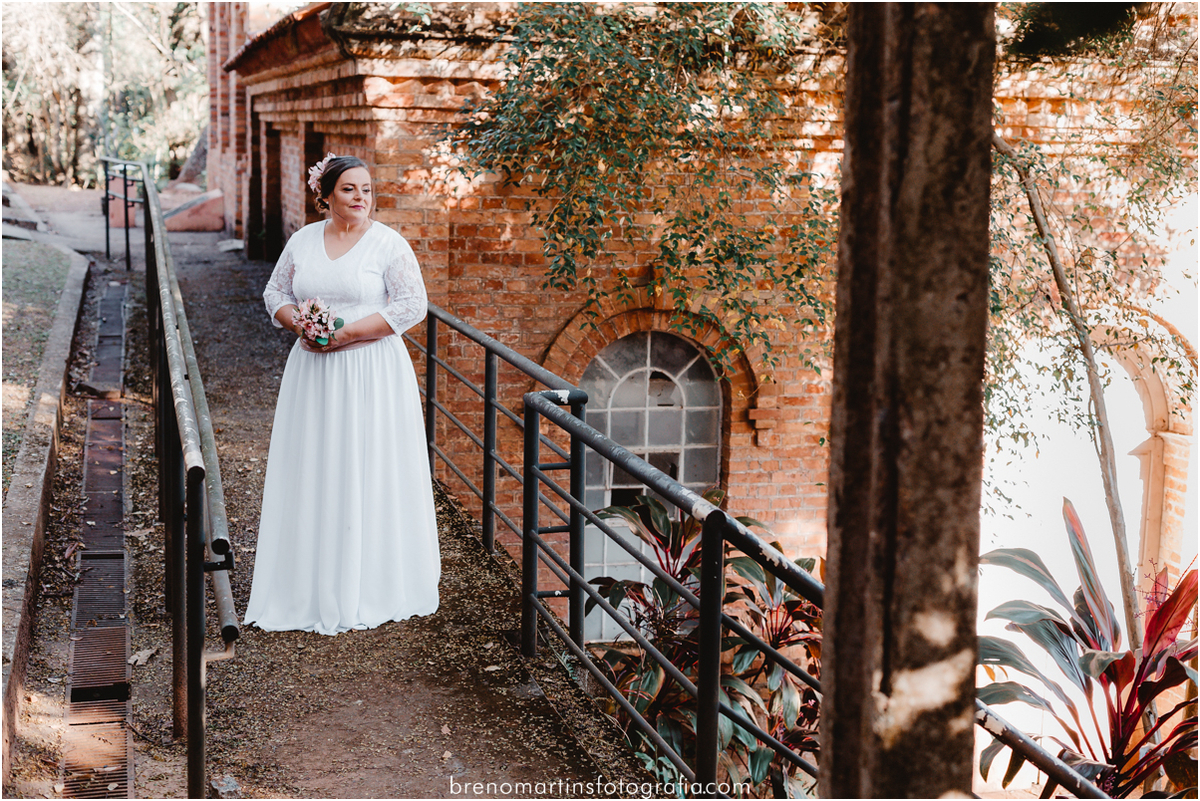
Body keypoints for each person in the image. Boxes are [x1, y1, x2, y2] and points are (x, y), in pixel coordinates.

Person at [245, 154, 440, 634]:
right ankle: (307, 583)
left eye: (367, 190)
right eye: (350, 189)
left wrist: (346, 334)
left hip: (372, 370)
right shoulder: (303, 241)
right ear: (326, 195)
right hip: (313, 371)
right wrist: (301, 324)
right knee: (314, 464)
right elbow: (275, 293)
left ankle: (369, 582)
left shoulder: (388, 244)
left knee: (366, 464)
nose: (361, 198)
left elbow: (413, 304)